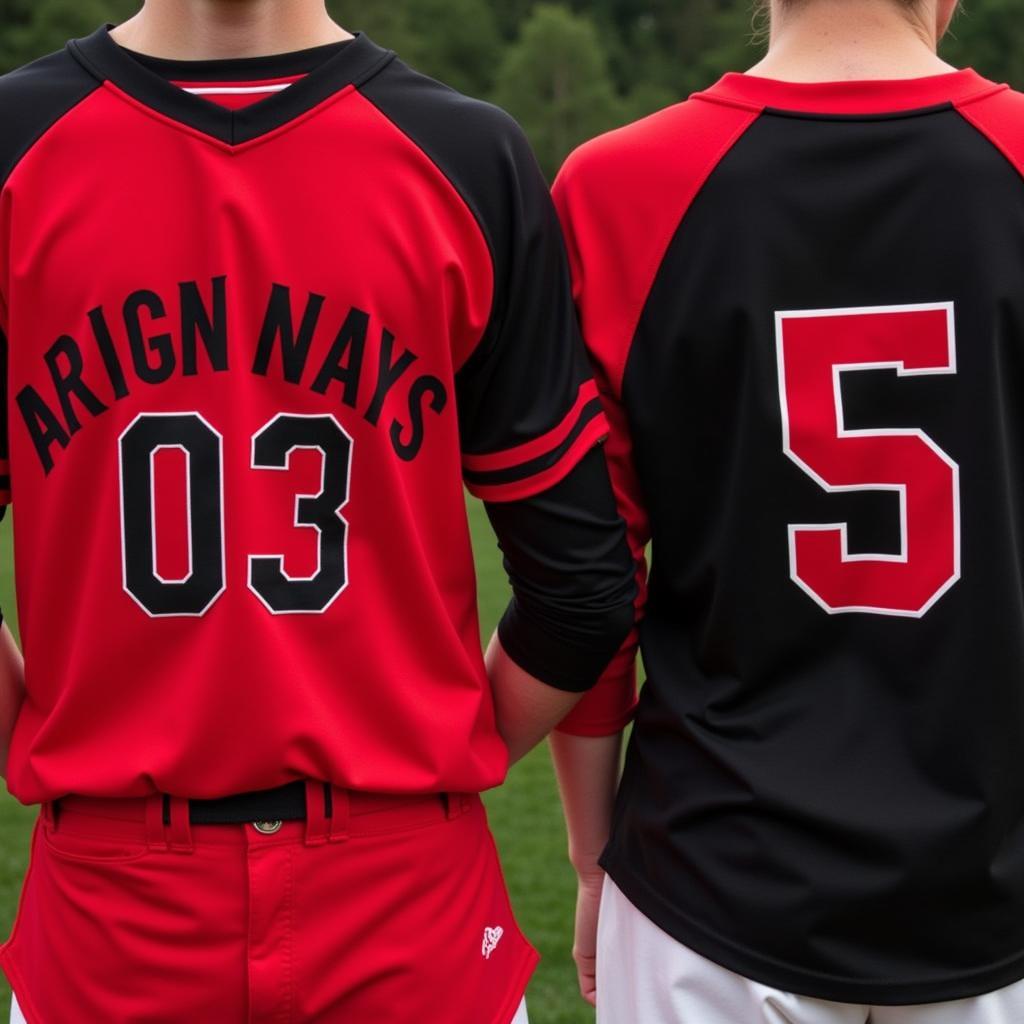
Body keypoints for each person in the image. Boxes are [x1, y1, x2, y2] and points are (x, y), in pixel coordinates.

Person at [0, 1, 637, 1022]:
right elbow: (584, 594)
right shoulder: (464, 152)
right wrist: (428, 752)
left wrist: (42, 738)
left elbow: (587, 592)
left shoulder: (18, 146)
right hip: (402, 877)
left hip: (113, 881)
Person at [551, 0, 1024, 1020]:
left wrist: (592, 858)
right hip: (998, 878)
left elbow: (585, 583)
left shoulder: (616, 184)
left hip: (710, 875)